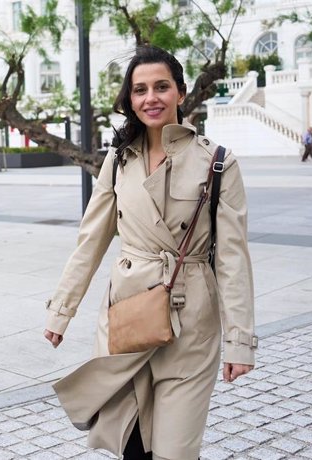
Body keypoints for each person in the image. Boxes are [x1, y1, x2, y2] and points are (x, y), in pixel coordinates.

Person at [43, 45, 256, 460]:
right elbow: (92, 239)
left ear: (180, 91)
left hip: (191, 320)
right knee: (132, 446)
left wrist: (240, 340)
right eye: (139, 90)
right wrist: (61, 311)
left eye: (161, 86)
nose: (150, 98)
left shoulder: (218, 163)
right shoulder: (118, 159)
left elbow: (232, 258)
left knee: (176, 451)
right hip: (129, 318)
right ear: (130, 99)